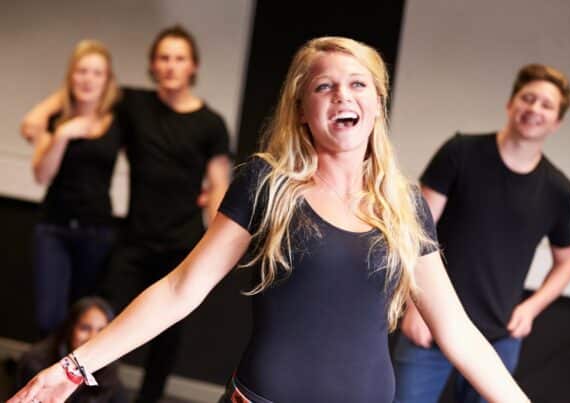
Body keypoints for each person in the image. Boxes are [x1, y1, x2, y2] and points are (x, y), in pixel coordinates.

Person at [9, 37, 530, 403]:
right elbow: (179, 290)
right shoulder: (267, 184)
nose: (343, 96)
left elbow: (457, 333)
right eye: (325, 87)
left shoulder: (405, 205)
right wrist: (74, 366)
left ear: (377, 102)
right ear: (301, 107)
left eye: (358, 84)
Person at [20, 25, 231, 403]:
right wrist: (50, 125)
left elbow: (218, 185)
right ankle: (79, 395)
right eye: (163, 58)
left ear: (193, 66)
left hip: (182, 243)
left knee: (167, 338)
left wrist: (215, 245)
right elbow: (74, 95)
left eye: (179, 58)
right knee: (98, 320)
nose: (170, 66)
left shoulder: (211, 124)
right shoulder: (134, 105)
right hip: (133, 240)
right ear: (153, 65)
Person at [393, 64, 570, 403]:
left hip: (499, 336)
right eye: (528, 98)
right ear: (511, 103)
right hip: (431, 322)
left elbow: (566, 262)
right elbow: (414, 230)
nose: (534, 109)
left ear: (557, 122)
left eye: (546, 105)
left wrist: (531, 308)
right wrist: (414, 306)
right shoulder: (460, 152)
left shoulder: (558, 190)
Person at [26, 39, 121, 337]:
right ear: (71, 76)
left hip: (97, 231)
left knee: (84, 319)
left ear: (107, 80)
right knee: (49, 318)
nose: (88, 79)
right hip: (54, 227)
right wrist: (62, 136)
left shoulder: (118, 121)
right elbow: (42, 175)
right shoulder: (55, 121)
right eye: (81, 71)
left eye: (96, 73)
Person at [16, 297, 127, 403]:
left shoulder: (112, 378)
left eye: (101, 331)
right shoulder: (36, 364)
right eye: (85, 328)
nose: (93, 338)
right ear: (70, 329)